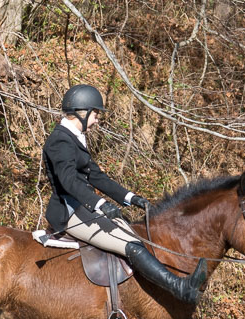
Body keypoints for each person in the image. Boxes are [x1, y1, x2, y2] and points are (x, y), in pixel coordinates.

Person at [42, 84, 207, 305]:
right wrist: (100, 203)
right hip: (69, 211)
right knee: (129, 243)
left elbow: (97, 177)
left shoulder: (74, 137)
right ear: (83, 112)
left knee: (132, 234)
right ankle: (179, 288)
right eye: (96, 113)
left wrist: (131, 198)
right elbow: (68, 181)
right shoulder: (60, 140)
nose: (97, 119)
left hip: (82, 206)